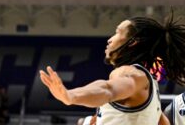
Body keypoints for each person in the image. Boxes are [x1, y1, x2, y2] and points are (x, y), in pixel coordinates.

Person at [40, 14, 185, 125]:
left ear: (133, 42)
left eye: (117, 32)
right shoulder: (152, 87)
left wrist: (70, 96)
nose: (110, 39)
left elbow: (107, 89)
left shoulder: (131, 73)